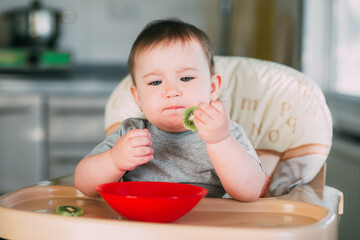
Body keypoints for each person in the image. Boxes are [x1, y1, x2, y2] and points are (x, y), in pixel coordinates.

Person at [74, 19, 265, 201]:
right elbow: (83, 184)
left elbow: (250, 191)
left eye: (186, 78)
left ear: (213, 88)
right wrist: (114, 161)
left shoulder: (226, 132)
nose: (171, 91)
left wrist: (220, 141)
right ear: (138, 97)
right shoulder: (132, 132)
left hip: (204, 225)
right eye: (155, 82)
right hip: (143, 222)